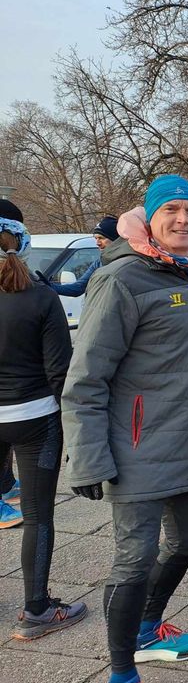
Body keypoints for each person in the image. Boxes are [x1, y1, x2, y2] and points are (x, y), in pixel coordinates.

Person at [62, 175, 188, 683]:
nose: (183, 220)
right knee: (134, 560)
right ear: (151, 219)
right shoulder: (124, 279)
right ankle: (120, 677)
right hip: (134, 448)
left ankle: (146, 628)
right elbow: (86, 378)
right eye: (172, 211)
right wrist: (88, 458)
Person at [0, 203, 88, 639]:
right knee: (36, 516)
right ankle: (36, 608)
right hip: (34, 417)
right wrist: (76, 428)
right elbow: (61, 372)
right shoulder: (39, 296)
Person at [38, 216, 119, 297]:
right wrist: (47, 286)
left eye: (101, 238)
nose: (97, 243)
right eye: (96, 238)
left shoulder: (128, 263)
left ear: (115, 239)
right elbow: (78, 288)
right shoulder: (99, 262)